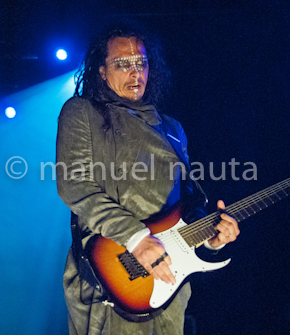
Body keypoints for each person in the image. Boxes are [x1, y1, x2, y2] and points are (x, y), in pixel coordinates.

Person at [56, 23, 240, 335]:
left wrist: (211, 238)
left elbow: (187, 205)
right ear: (101, 71)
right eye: (122, 64)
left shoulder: (171, 128)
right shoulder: (82, 112)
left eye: (141, 62)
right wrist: (137, 238)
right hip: (111, 273)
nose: (135, 72)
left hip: (169, 279)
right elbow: (74, 184)